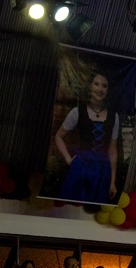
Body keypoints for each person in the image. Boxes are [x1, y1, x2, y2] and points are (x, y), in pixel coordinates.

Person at [54, 70, 119, 204]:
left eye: (104, 86)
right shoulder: (77, 112)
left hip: (102, 171)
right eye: (96, 84)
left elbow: (112, 151)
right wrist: (68, 159)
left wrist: (112, 182)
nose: (100, 89)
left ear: (108, 90)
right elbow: (58, 137)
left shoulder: (114, 117)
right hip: (80, 168)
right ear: (90, 86)